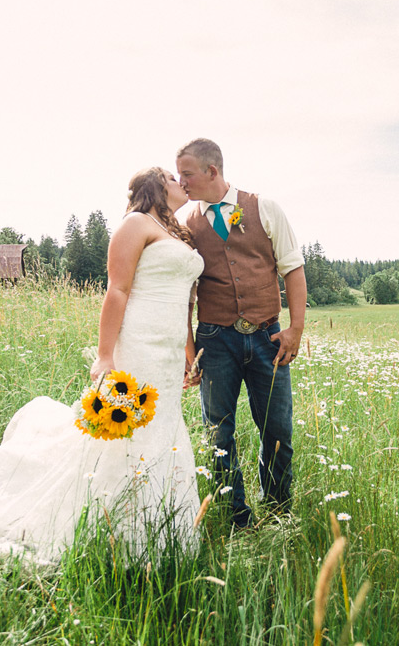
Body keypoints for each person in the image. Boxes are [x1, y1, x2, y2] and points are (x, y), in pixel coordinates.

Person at [0, 168, 204, 580]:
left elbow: (185, 303)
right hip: (137, 344)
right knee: (120, 435)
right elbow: (117, 290)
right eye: (175, 178)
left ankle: (156, 532)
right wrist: (105, 356)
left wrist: (189, 354)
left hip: (169, 349)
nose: (183, 183)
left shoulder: (179, 234)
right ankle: (108, 527)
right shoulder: (135, 224)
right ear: (157, 187)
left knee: (162, 430)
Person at [176, 138, 306, 528]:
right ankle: (237, 518)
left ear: (212, 171)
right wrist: (189, 351)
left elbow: (293, 269)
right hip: (215, 342)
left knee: (277, 429)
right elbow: (186, 294)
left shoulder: (264, 208)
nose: (181, 182)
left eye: (187, 173)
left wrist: (295, 330)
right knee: (218, 433)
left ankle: (279, 511)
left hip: (269, 338)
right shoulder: (187, 227)